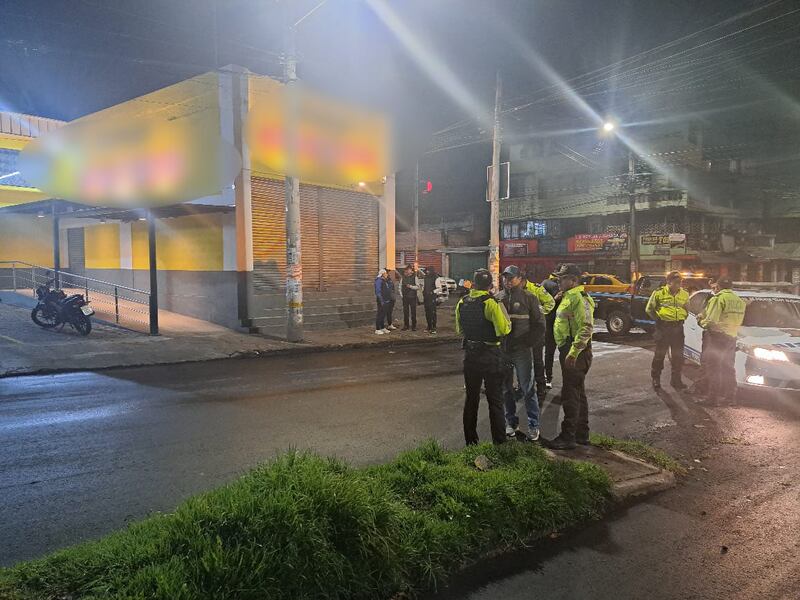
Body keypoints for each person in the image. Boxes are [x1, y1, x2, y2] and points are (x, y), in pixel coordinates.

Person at [455, 268, 512, 446]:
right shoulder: (490, 303)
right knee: (495, 400)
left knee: (471, 399)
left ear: (473, 283)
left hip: (471, 357)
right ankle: (500, 444)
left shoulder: (462, 302)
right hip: (490, 356)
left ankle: (471, 442)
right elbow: (503, 329)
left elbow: (460, 329)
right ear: (489, 286)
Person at [545, 263, 595, 450]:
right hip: (569, 349)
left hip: (576, 352)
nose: (559, 281)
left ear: (573, 280)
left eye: (563, 278)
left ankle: (568, 437)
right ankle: (582, 434)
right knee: (578, 393)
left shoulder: (579, 298)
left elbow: (586, 327)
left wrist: (573, 352)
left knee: (570, 394)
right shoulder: (569, 296)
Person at [498, 265, 544, 441]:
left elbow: (540, 325)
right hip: (503, 351)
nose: (507, 281)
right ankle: (511, 422)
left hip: (522, 351)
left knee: (527, 388)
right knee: (506, 390)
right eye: (505, 278)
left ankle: (533, 424)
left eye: (511, 278)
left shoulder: (529, 298)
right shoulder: (498, 298)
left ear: (519, 279)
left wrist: (527, 343)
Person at [694, 277, 745, 402]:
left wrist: (701, 322)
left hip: (717, 337)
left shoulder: (718, 299)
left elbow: (711, 321)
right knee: (728, 367)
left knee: (713, 368)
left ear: (719, 287)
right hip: (731, 337)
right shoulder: (739, 300)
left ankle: (712, 398)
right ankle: (730, 397)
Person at [646, 270, 689, 390]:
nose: (678, 284)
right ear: (668, 282)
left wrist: (681, 318)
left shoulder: (684, 294)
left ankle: (676, 381)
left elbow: (686, 309)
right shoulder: (659, 293)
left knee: (678, 356)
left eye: (680, 282)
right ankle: (656, 379)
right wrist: (659, 320)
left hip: (678, 329)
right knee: (659, 355)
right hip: (663, 328)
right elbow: (649, 309)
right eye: (676, 282)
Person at [522, 269, 555, 398]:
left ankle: (540, 386)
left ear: (522, 280)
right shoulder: (515, 292)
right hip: (522, 332)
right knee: (523, 361)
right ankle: (523, 386)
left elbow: (550, 302)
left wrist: (539, 312)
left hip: (536, 331)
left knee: (537, 360)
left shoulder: (536, 289)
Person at [541, 267, 562, 390]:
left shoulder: (544, 283)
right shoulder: (554, 286)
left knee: (548, 352)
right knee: (562, 351)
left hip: (548, 322)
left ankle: (547, 377)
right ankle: (548, 377)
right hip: (556, 322)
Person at [374, 269, 392, 335]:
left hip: (386, 300)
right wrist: (381, 300)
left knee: (383, 314)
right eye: (385, 273)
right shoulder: (378, 280)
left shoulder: (384, 280)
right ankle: (377, 329)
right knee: (380, 314)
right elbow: (378, 291)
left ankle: (382, 327)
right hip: (382, 301)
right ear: (382, 274)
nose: (387, 274)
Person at [401, 264, 418, 331]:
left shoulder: (415, 277)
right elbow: (400, 287)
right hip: (405, 297)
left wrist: (411, 286)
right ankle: (406, 325)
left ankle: (414, 326)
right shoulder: (403, 278)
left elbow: (418, 287)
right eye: (407, 269)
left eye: (409, 269)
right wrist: (402, 295)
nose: (408, 271)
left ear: (411, 271)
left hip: (412, 297)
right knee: (405, 312)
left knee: (413, 312)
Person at [422, 266, 439, 334]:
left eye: (428, 270)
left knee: (433, 312)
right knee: (427, 312)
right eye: (426, 270)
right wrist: (423, 291)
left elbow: (439, 288)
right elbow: (425, 286)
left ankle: (434, 327)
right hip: (426, 297)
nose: (427, 271)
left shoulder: (436, 277)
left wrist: (433, 292)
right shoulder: (426, 277)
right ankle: (429, 326)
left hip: (432, 297)